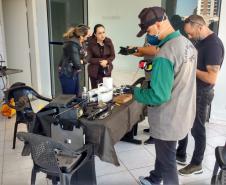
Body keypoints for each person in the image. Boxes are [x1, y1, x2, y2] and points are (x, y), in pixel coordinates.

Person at [127, 6, 197, 185]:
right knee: (166, 152)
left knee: (168, 161)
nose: (148, 35)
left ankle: (162, 179)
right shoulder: (186, 43)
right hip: (183, 112)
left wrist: (134, 92)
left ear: (158, 24)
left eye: (149, 30)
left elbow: (158, 96)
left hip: (169, 117)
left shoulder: (165, 54)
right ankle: (155, 178)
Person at [176, 15, 224, 176]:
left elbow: (211, 77)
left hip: (202, 93)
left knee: (198, 130)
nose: (190, 37)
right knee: (183, 122)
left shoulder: (213, 45)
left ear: (199, 26)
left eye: (191, 34)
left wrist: (189, 68)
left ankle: (197, 163)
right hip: (193, 91)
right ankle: (181, 154)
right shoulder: (202, 42)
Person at [58, 25, 90, 96]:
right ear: (81, 36)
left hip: (74, 72)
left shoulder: (81, 42)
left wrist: (82, 60)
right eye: (88, 35)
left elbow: (88, 55)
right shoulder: (72, 44)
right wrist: (82, 61)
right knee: (69, 97)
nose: (89, 36)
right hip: (67, 73)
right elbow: (77, 64)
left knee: (75, 96)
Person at [87, 24, 115, 89]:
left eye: (103, 32)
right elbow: (89, 59)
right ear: (95, 34)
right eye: (99, 33)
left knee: (106, 90)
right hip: (94, 71)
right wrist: (101, 61)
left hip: (106, 70)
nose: (102, 35)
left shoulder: (108, 41)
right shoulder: (91, 43)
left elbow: (113, 55)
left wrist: (107, 61)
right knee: (95, 92)